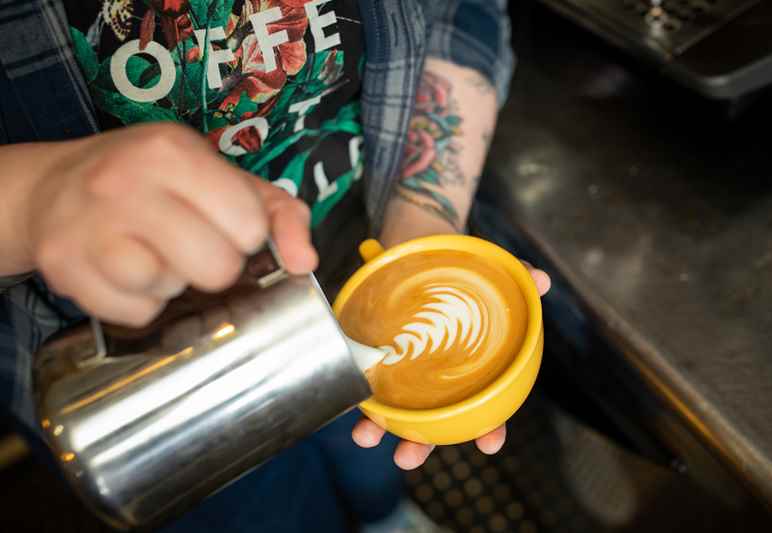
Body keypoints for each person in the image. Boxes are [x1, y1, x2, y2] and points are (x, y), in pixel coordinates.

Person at [0, 0, 551, 530]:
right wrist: (33, 200)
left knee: (372, 464)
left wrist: (425, 219)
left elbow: (459, 12)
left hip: (356, 284)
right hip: (148, 384)